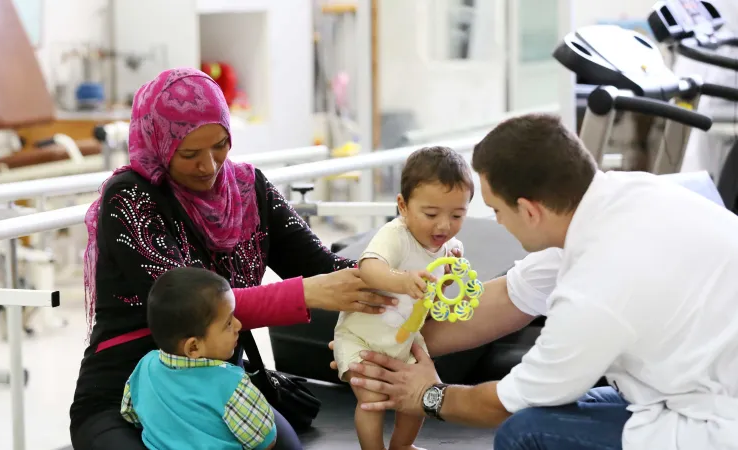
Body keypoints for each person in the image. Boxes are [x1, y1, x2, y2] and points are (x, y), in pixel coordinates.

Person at [332, 113, 738, 450]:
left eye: (495, 210)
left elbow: (504, 403)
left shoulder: (595, 287)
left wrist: (427, 395)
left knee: (524, 432)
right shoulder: (626, 196)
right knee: (556, 407)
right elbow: (508, 299)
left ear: (529, 210)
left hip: (714, 427)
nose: (497, 222)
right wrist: (380, 345)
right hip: (694, 390)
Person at [69, 67, 395, 450]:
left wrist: (402, 277)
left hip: (216, 388)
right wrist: (306, 293)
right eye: (189, 154)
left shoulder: (250, 189)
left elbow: (323, 267)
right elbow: (191, 307)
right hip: (127, 392)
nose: (209, 166)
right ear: (158, 143)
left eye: (220, 145)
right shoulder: (130, 198)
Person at [333, 146, 472, 450]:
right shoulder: (396, 235)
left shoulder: (450, 248)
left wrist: (447, 280)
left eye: (457, 215)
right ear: (403, 206)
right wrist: (403, 280)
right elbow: (369, 269)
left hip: (404, 341)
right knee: (372, 400)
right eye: (431, 214)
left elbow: (432, 303)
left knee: (418, 398)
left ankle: (401, 446)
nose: (444, 225)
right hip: (361, 338)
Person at [122, 267, 276, 450]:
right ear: (193, 347)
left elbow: (130, 414)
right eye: (228, 323)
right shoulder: (231, 385)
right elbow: (266, 441)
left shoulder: (145, 367)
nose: (238, 325)